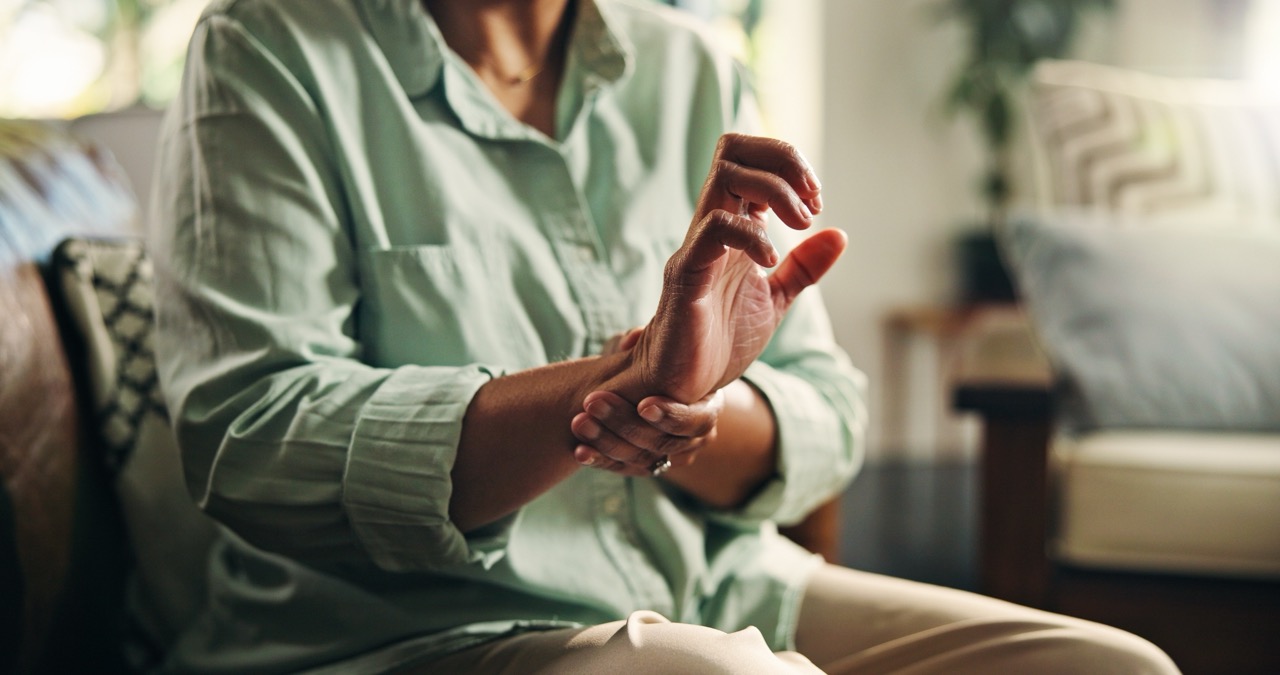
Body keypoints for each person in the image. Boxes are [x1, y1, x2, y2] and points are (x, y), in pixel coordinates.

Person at [149, 0, 1180, 672]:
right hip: (405, 634)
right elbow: (251, 435)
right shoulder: (265, 49)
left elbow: (823, 408)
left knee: (1110, 668)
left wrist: (683, 398)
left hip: (716, 583)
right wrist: (617, 384)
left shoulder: (689, 65)